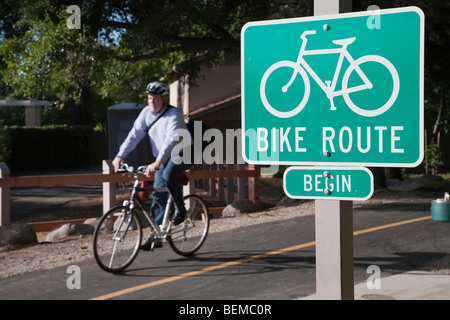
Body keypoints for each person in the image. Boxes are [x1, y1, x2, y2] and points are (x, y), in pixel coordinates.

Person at [112, 81, 191, 250]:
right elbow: (134, 135)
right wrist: (120, 155)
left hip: (182, 153)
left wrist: (157, 162)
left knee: (169, 176)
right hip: (162, 158)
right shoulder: (146, 113)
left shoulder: (173, 114)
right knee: (158, 195)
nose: (152, 101)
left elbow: (171, 140)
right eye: (149, 98)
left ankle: (181, 210)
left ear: (164, 99)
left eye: (155, 98)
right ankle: (156, 235)